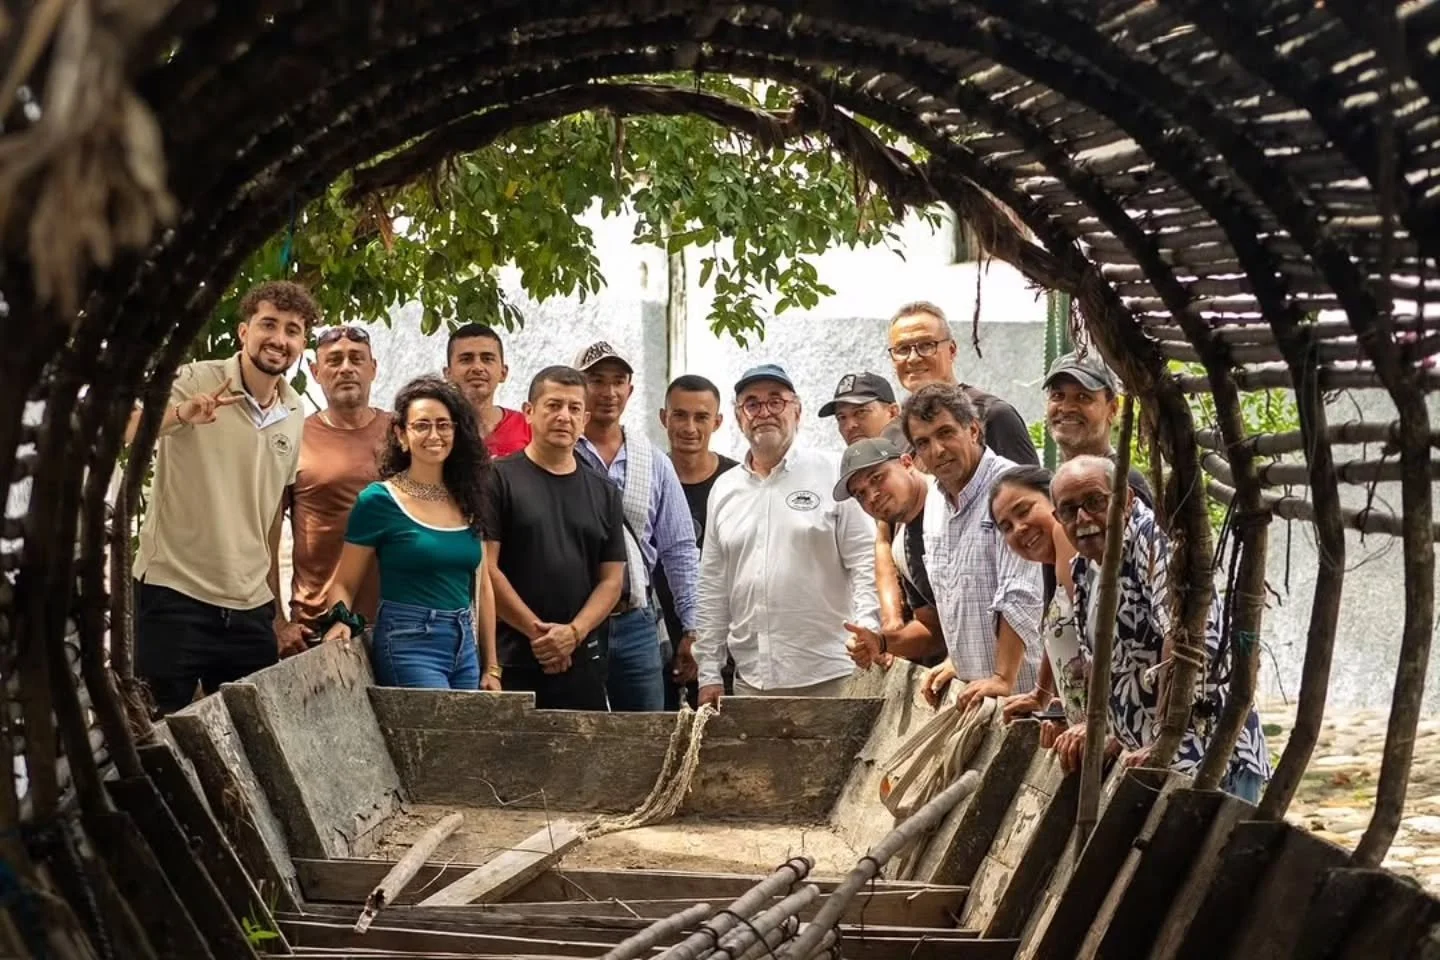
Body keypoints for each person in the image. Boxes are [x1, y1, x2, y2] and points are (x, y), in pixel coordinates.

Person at [128, 280, 316, 715]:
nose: (279, 339)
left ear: (302, 343)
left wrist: (277, 611)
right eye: (268, 324)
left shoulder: (294, 410)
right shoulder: (196, 379)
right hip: (172, 596)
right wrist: (181, 414)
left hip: (249, 609)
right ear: (243, 331)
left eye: (293, 330)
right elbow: (125, 428)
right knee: (150, 737)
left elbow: (270, 517)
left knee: (248, 744)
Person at [1049, 456, 1271, 802]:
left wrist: (1167, 738)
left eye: (1095, 502)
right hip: (1148, 756)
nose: (1083, 518)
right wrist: (1102, 728)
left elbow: (1186, 637)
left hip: (1204, 751)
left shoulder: (1154, 542)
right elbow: (1101, 660)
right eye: (1069, 510)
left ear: (1126, 499)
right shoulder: (1082, 568)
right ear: (1057, 519)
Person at [695, 364, 879, 704]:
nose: (764, 412)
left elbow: (866, 563)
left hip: (832, 676)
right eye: (752, 403)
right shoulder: (724, 489)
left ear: (798, 411)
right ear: (739, 417)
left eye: (776, 401)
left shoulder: (835, 473)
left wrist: (870, 631)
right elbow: (712, 586)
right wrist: (708, 671)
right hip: (752, 681)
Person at [320, 377, 500, 692]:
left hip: (465, 646)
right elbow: (345, 582)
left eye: (444, 425)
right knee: (438, 737)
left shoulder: (468, 498)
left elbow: (482, 585)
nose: (435, 435)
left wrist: (492, 667)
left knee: (462, 739)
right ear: (401, 435)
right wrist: (339, 620)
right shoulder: (378, 500)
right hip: (410, 642)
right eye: (422, 425)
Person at [486, 366, 628, 710]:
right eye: (553, 406)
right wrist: (539, 635)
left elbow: (612, 580)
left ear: (585, 419)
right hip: (513, 659)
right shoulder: (496, 478)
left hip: (582, 660)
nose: (564, 416)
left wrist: (573, 634)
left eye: (574, 408)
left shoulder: (604, 491)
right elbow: (485, 567)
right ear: (529, 412)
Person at [573, 341, 700, 712]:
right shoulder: (560, 454)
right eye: (596, 380)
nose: (609, 392)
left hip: (635, 622)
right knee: (578, 732)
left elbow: (679, 550)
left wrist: (693, 629)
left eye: (618, 381)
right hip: (573, 621)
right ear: (578, 385)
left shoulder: (654, 461)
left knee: (647, 736)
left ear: (630, 389)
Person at [903, 384, 1045, 712]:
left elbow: (1020, 591)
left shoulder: (1011, 489)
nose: (937, 450)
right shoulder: (936, 501)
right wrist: (957, 659)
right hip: (977, 693)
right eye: (923, 442)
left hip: (1025, 696)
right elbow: (954, 593)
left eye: (946, 433)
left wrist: (1002, 676)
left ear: (973, 430)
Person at [272, 325, 393, 651]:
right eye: (334, 360)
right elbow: (265, 536)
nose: (346, 368)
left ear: (373, 368)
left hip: (398, 624)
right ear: (315, 371)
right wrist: (278, 621)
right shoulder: (293, 438)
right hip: (317, 626)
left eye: (356, 358)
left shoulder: (403, 434)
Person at [655, 374, 740, 708]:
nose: (689, 427)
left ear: (717, 421)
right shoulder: (649, 476)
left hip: (725, 639)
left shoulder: (737, 483)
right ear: (664, 417)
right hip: (655, 636)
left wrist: (702, 642)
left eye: (701, 417)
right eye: (680, 415)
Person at [831, 438, 946, 670]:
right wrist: (882, 642)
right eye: (860, 494)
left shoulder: (955, 505)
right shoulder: (901, 546)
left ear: (906, 463)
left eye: (877, 478)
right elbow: (933, 632)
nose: (872, 496)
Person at [986, 467, 1085, 729]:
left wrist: (1092, 720)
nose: (1018, 528)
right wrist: (1041, 693)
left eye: (1024, 511)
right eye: (1006, 527)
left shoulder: (1063, 534)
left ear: (1055, 501)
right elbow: (1063, 630)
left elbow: (1094, 634)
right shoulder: (1052, 564)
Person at [887, 301, 1038, 465]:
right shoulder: (895, 431)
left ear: (952, 350)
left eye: (926, 345)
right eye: (902, 349)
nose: (913, 358)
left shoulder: (991, 416)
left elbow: (1029, 488)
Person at [1042, 351, 1154, 507]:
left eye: (1083, 397)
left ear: (1113, 409)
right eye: (1058, 396)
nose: (1066, 408)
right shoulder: (1055, 481)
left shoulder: (1122, 482)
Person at [444, 322, 531, 458]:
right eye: (466, 359)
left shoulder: (528, 427)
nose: (477, 367)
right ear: (448, 374)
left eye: (487, 359)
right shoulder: (435, 429)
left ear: (503, 373)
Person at [818, 372, 902, 447]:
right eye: (842, 417)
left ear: (893, 413)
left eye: (861, 412)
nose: (849, 426)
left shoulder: (913, 457)